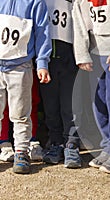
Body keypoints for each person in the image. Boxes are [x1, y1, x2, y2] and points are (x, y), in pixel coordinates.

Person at [72, 0, 110, 174]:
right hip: (95, 51)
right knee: (99, 102)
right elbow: (78, 18)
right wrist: (82, 53)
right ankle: (108, 144)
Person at [0, 0, 51, 174]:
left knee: (21, 112)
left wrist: (42, 62)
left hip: (20, 66)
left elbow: (42, 31)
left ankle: (21, 152)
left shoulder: (36, 3)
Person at [41, 0, 82, 168]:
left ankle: (72, 143)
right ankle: (56, 142)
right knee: (50, 106)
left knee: (69, 105)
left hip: (69, 60)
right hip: (47, 61)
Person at [0, 70, 43, 162]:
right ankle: (4, 143)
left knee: (30, 101)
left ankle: (31, 141)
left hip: (25, 63)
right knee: (3, 105)